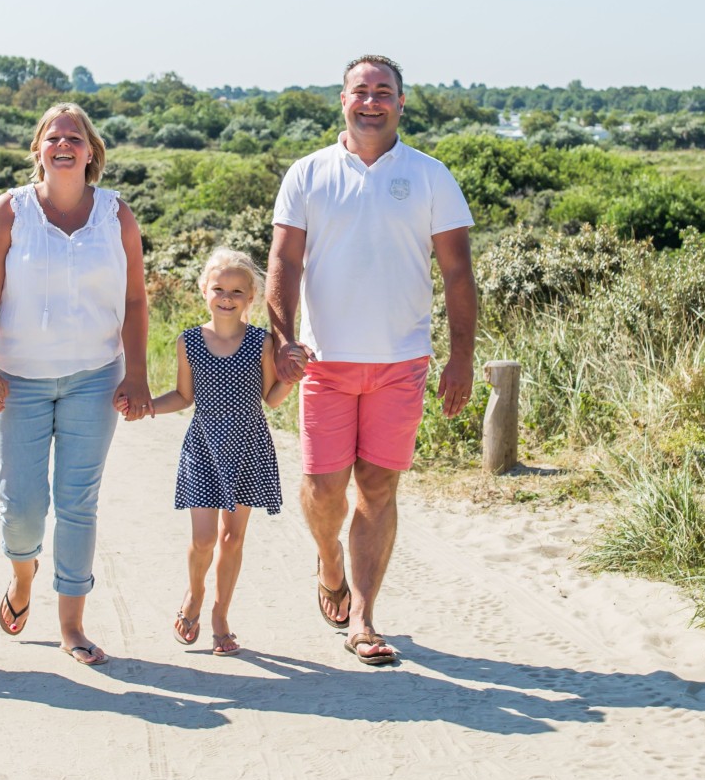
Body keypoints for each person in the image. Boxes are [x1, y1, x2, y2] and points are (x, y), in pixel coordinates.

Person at [267, 54, 478, 667]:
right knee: (323, 488)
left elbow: (458, 271)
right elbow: (284, 264)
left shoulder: (431, 175)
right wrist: (283, 339)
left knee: (379, 487)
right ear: (342, 100)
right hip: (323, 363)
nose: (372, 102)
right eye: (361, 91)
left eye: (383, 92)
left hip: (401, 361)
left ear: (401, 103)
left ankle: (362, 616)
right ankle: (328, 560)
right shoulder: (307, 174)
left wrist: (460, 357)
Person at [0, 102, 150, 666]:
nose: (64, 144)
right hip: (17, 381)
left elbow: (135, 300)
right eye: (53, 137)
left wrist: (138, 372)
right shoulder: (8, 212)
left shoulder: (117, 216)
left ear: (92, 151)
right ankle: (22, 577)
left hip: (95, 378)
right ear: (38, 149)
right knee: (22, 507)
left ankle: (72, 626)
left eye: (75, 136)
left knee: (78, 502)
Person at [148, 248, 291, 657]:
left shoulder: (261, 342)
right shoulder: (188, 341)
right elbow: (182, 396)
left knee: (232, 537)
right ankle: (194, 595)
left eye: (236, 291)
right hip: (204, 448)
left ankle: (220, 616)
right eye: (218, 289)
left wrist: (294, 377)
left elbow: (271, 397)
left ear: (251, 298)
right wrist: (146, 405)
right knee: (205, 539)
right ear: (203, 290)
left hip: (248, 445)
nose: (226, 297)